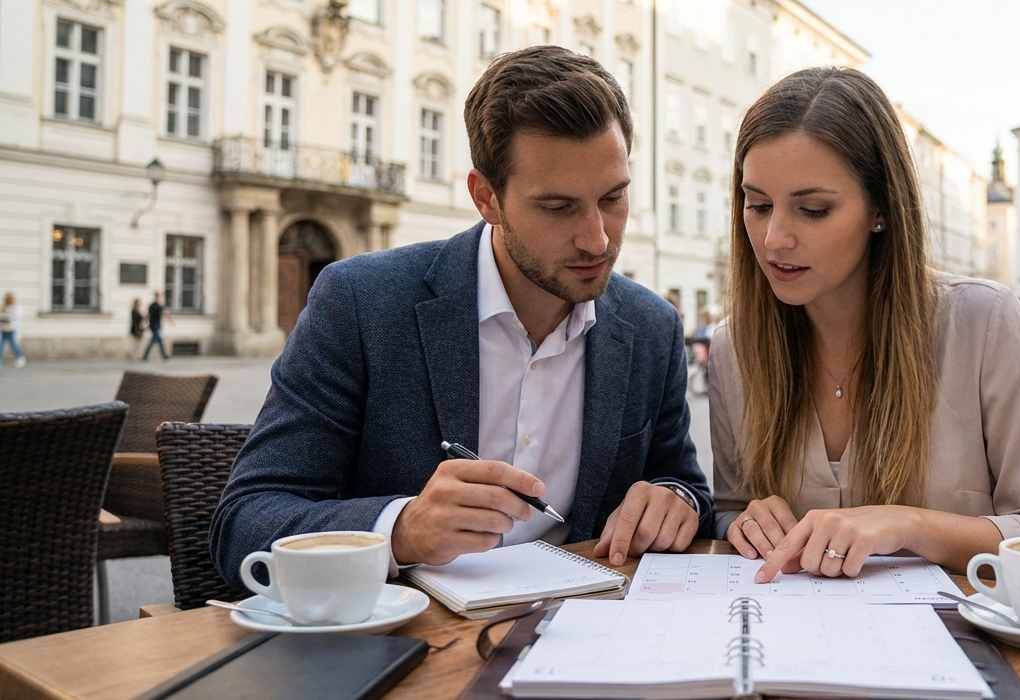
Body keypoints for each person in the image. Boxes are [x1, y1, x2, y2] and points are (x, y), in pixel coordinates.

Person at [211, 46, 714, 588]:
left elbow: (683, 486)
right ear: (486, 198)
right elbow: (244, 522)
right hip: (408, 646)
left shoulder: (652, 326)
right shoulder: (362, 303)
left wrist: (675, 500)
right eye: (557, 207)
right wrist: (400, 530)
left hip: (583, 638)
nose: (597, 237)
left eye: (613, 198)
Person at [708, 66, 1020, 582]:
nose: (774, 237)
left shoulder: (983, 323)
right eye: (757, 205)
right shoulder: (734, 348)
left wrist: (910, 525)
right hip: (796, 649)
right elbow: (733, 507)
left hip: (965, 651)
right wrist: (743, 521)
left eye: (814, 210)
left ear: (881, 209)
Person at [141, 291, 173, 362]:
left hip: (155, 325)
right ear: (157, 297)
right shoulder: (156, 306)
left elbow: (149, 315)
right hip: (155, 325)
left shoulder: (154, 305)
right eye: (160, 296)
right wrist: (169, 320)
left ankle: (164, 356)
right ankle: (145, 356)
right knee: (153, 341)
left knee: (159, 340)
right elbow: (163, 314)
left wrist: (144, 321)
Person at [0, 292, 23, 368]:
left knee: (14, 345)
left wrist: (7, 317)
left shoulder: (16, 308)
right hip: (3, 329)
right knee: (1, 345)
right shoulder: (3, 307)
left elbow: (15, 318)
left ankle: (20, 358)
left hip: (11, 330)